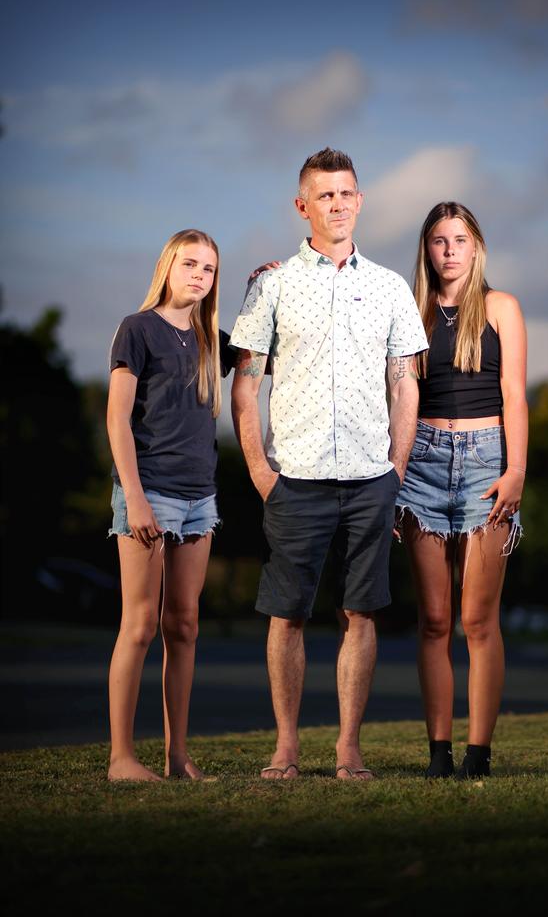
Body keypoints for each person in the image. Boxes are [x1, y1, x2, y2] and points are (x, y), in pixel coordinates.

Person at [230, 148, 428, 780]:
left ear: (360, 200)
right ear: (303, 205)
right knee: (287, 614)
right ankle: (286, 747)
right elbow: (244, 386)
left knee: (360, 612)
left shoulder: (391, 287)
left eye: (347, 194)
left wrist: (395, 469)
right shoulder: (273, 284)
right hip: (297, 478)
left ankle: (348, 747)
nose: (337, 205)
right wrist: (261, 471)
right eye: (325, 196)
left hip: (372, 477)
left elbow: (405, 386)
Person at [395, 202, 527, 780]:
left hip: (485, 465)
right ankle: (439, 754)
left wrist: (517, 469)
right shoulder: (410, 311)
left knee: (478, 619)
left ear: (476, 247)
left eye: (460, 239)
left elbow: (515, 394)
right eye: (439, 241)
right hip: (419, 465)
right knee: (434, 620)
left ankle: (478, 755)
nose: (449, 250)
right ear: (427, 249)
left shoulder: (502, 308)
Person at [106, 228, 235, 781]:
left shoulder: (213, 341)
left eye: (208, 269)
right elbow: (116, 419)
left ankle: (177, 756)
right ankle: (121, 759)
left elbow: (275, 354)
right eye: (190, 264)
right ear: (167, 267)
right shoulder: (137, 330)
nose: (199, 276)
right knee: (139, 625)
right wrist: (134, 498)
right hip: (149, 493)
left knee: (184, 625)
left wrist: (274, 284)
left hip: (200, 500)